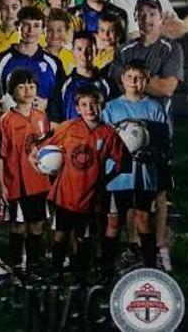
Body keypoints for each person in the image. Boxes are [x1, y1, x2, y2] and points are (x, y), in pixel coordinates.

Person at [111, 0, 184, 271]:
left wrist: (135, 80)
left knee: (159, 191)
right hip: (128, 129)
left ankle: (161, 246)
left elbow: (167, 88)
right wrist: (146, 80)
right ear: (135, 17)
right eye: (141, 14)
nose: (146, 19)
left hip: (157, 127)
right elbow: (121, 85)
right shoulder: (125, 49)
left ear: (160, 17)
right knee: (132, 187)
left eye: (152, 14)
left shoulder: (171, 49)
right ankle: (133, 246)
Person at [45, 89, 127, 282]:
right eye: (84, 105)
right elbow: (46, 150)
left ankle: (80, 274)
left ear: (101, 106)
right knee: (61, 233)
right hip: (66, 193)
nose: (89, 108)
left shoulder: (108, 133)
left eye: (93, 104)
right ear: (77, 108)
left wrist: (105, 180)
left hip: (90, 196)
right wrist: (44, 165)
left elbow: (122, 162)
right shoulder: (68, 127)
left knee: (84, 235)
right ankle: (56, 271)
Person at [101, 60, 170, 274]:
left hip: (144, 175)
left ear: (146, 81)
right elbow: (104, 139)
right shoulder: (111, 108)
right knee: (114, 221)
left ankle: (150, 268)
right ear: (122, 79)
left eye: (139, 78)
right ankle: (106, 270)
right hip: (116, 176)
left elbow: (163, 141)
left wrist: (148, 148)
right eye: (129, 77)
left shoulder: (154, 108)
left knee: (144, 219)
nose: (134, 81)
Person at [0, 70, 52, 281]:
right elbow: (0, 156)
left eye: (31, 86)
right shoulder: (6, 120)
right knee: (19, 224)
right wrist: (1, 185)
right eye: (21, 86)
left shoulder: (42, 117)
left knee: (37, 224)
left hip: (39, 182)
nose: (27, 90)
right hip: (17, 183)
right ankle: (17, 266)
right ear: (12, 91)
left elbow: (48, 150)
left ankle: (34, 266)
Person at [0, 6, 64, 110]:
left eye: (36, 26)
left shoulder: (54, 63)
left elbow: (62, 100)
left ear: (43, 29)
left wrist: (47, 104)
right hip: (9, 119)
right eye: (26, 25)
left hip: (43, 120)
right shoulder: (0, 61)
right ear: (17, 26)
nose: (31, 30)